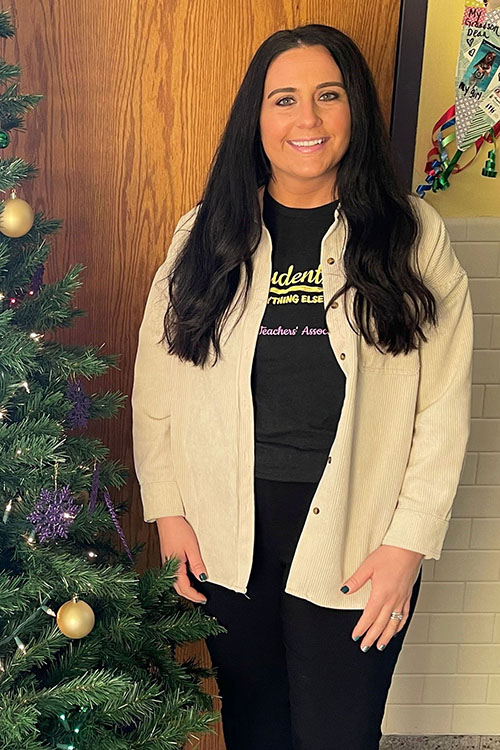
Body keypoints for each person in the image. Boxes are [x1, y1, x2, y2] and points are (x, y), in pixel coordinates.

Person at [131, 24, 473, 750]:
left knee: (338, 734)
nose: (307, 120)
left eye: (328, 96)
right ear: (257, 118)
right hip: (229, 532)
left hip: (357, 530)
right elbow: (156, 385)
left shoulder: (413, 235)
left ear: (355, 111)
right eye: (284, 99)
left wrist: (407, 545)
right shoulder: (206, 233)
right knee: (255, 728)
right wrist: (168, 513)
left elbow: (442, 406)